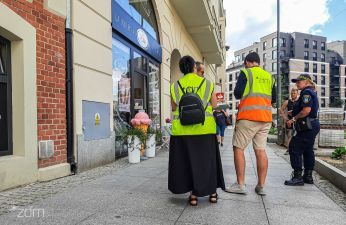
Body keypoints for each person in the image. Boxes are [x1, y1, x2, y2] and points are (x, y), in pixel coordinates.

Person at [168, 55, 225, 206]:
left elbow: (174, 108)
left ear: (181, 69)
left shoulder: (174, 86)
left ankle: (193, 196)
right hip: (205, 129)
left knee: (188, 162)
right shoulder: (207, 83)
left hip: (182, 131)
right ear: (194, 67)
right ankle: (212, 193)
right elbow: (214, 105)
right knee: (208, 162)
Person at [225, 52, 276, 196]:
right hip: (265, 118)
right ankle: (261, 186)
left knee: (238, 148)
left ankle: (240, 184)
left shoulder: (246, 73)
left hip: (248, 116)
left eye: (245, 64)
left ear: (247, 62)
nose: (244, 66)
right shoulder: (269, 76)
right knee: (260, 150)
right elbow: (274, 99)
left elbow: (238, 93)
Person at [284, 74, 320, 186]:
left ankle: (298, 177)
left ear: (307, 81)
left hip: (307, 125)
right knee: (308, 150)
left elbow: (306, 110)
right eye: (296, 81)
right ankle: (308, 177)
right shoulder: (311, 92)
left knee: (294, 147)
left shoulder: (307, 92)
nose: (297, 83)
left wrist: (293, 119)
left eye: (299, 81)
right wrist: (294, 111)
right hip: (312, 124)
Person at [279, 88, 299, 154]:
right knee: (289, 135)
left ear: (297, 93)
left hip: (297, 120)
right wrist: (285, 117)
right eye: (292, 93)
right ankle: (289, 149)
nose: (293, 94)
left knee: (297, 135)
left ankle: (296, 149)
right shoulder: (287, 102)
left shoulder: (299, 101)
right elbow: (281, 110)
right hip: (289, 120)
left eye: (294, 93)